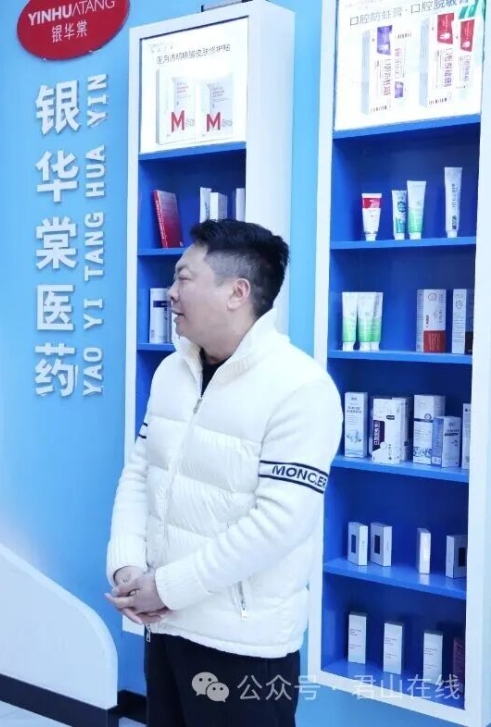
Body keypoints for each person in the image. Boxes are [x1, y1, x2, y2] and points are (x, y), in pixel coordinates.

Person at [104, 220, 342, 727]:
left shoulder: (302, 388)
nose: (170, 293)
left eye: (184, 278)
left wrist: (167, 587)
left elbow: (278, 524)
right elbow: (141, 472)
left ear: (237, 292)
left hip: (243, 643)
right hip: (164, 627)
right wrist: (126, 567)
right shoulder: (173, 371)